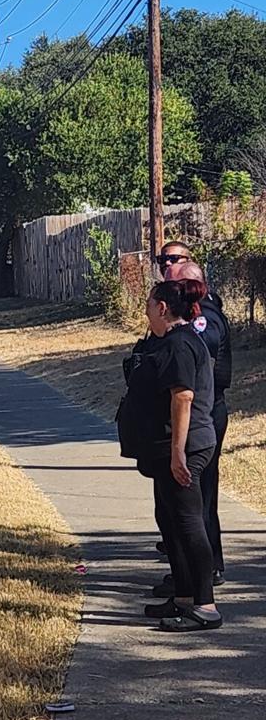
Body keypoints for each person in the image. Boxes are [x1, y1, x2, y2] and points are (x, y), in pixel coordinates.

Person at [118, 279, 221, 631]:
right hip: (166, 448)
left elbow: (183, 397)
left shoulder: (180, 344)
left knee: (189, 521)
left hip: (187, 446)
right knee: (170, 520)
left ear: (162, 308)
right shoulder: (167, 342)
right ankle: (184, 595)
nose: (145, 310)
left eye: (148, 304)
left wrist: (177, 452)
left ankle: (205, 606)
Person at [163, 257, 232, 587]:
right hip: (191, 418)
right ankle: (186, 578)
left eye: (176, 284)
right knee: (179, 507)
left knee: (198, 501)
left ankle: (205, 575)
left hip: (203, 417)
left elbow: (204, 353)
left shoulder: (203, 318)